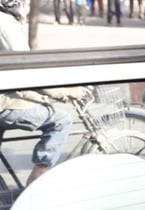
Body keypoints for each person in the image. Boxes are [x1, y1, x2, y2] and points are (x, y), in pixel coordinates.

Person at [0, 0, 83, 185]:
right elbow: (26, 70)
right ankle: (37, 181)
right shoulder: (5, 24)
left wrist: (40, 95)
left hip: (6, 97)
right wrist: (63, 92)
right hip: (4, 104)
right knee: (62, 120)